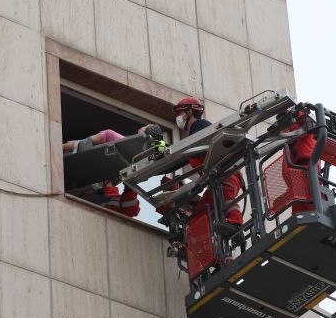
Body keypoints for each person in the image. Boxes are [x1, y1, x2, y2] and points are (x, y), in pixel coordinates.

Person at [62, 124, 162, 217]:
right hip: (89, 189)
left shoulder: (112, 137)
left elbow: (80, 145)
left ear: (143, 133)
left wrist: (57, 147)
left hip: (90, 188)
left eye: (145, 126)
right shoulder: (144, 162)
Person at [172, 97, 243, 227]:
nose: (178, 117)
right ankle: (198, 242)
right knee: (200, 216)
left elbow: (195, 153)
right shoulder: (194, 134)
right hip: (216, 179)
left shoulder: (201, 126)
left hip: (226, 174)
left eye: (179, 113)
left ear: (189, 112)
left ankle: (235, 223)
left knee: (225, 196)